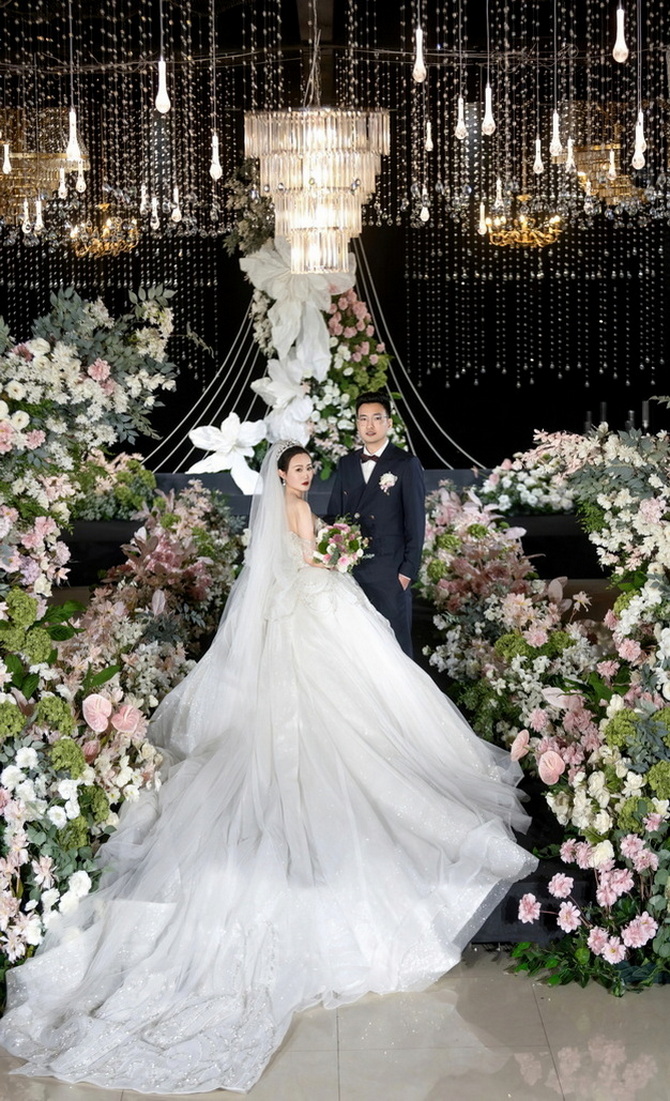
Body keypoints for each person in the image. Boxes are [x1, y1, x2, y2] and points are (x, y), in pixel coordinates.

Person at [0, 441, 537, 1095]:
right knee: (351, 704)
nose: (307, 475)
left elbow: (284, 562)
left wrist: (330, 551)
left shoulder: (279, 507)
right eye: (300, 469)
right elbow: (311, 559)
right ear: (283, 474)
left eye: (310, 468)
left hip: (296, 612)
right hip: (315, 607)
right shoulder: (297, 508)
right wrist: (340, 554)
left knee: (343, 703)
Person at [328, 391, 425, 656]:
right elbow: (335, 514)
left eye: (376, 418)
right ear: (357, 423)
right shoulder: (347, 463)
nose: (369, 425)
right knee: (357, 649)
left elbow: (416, 522)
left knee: (394, 650)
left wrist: (406, 572)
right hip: (352, 571)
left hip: (389, 572)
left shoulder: (406, 463)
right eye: (363, 419)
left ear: (389, 422)